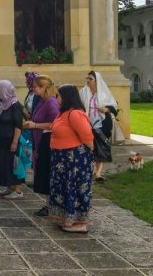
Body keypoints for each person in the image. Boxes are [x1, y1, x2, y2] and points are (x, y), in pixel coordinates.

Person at [49, 85, 95, 233]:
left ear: (67, 97)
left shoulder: (75, 114)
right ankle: (67, 218)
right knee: (64, 188)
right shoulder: (63, 113)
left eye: (59, 95)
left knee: (74, 188)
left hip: (74, 160)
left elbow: (88, 138)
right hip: (62, 160)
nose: (57, 98)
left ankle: (79, 222)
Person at [22, 75, 62, 216]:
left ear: (44, 88)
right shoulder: (41, 100)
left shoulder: (51, 102)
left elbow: (55, 124)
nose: (34, 88)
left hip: (47, 140)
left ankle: (50, 205)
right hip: (40, 140)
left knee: (47, 173)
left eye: (37, 86)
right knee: (43, 173)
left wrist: (35, 125)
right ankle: (47, 204)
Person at [82, 70, 119, 182]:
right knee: (89, 147)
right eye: (87, 78)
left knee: (101, 147)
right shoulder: (84, 92)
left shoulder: (103, 93)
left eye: (91, 79)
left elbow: (114, 107)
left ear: (96, 81)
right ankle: (91, 169)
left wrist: (106, 109)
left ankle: (98, 173)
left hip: (102, 124)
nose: (88, 81)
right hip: (87, 123)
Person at [0, 80, 25, 199]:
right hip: (2, 141)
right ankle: (9, 187)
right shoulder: (4, 104)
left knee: (13, 165)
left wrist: (15, 142)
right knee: (5, 165)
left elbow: (18, 125)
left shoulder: (15, 105)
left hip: (11, 141)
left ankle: (18, 190)